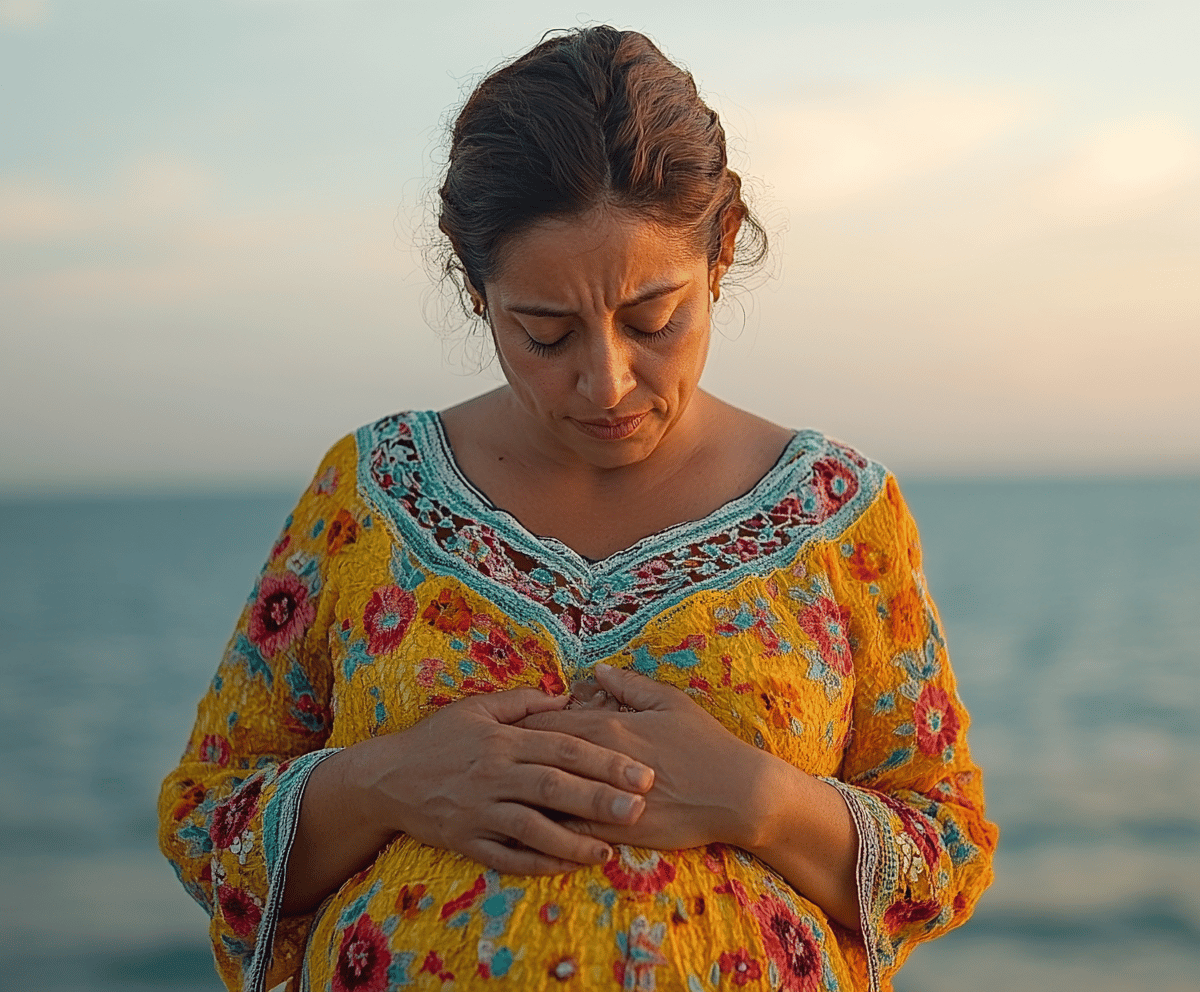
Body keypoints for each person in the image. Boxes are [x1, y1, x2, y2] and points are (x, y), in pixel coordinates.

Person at [158, 25, 997, 992]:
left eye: (655, 320)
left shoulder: (839, 514)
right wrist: (382, 780)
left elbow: (946, 850)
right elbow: (206, 819)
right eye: (546, 334)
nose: (606, 382)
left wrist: (757, 800)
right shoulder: (371, 493)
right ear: (475, 291)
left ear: (722, 252)